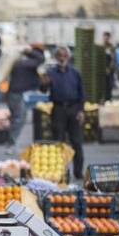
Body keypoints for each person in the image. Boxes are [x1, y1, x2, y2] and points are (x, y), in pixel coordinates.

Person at [40, 46, 86, 180]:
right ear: (56, 57)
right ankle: (60, 171)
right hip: (58, 109)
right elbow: (43, 89)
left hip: (74, 109)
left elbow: (82, 93)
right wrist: (43, 84)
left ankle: (78, 172)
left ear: (68, 57)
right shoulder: (50, 73)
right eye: (59, 55)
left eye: (64, 55)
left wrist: (81, 110)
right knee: (58, 142)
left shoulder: (75, 73)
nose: (62, 58)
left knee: (76, 142)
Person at [5, 44, 45, 154]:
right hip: (17, 95)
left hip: (15, 94)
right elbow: (41, 59)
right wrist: (29, 50)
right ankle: (11, 144)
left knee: (17, 118)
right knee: (19, 119)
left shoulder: (21, 62)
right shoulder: (26, 63)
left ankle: (11, 142)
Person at [103, 31, 117, 102]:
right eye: (104, 37)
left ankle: (108, 99)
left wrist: (109, 69)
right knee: (102, 85)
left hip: (109, 70)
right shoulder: (101, 46)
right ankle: (103, 99)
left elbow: (113, 59)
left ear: (109, 38)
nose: (106, 39)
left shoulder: (111, 47)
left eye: (107, 37)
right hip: (102, 69)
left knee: (109, 85)